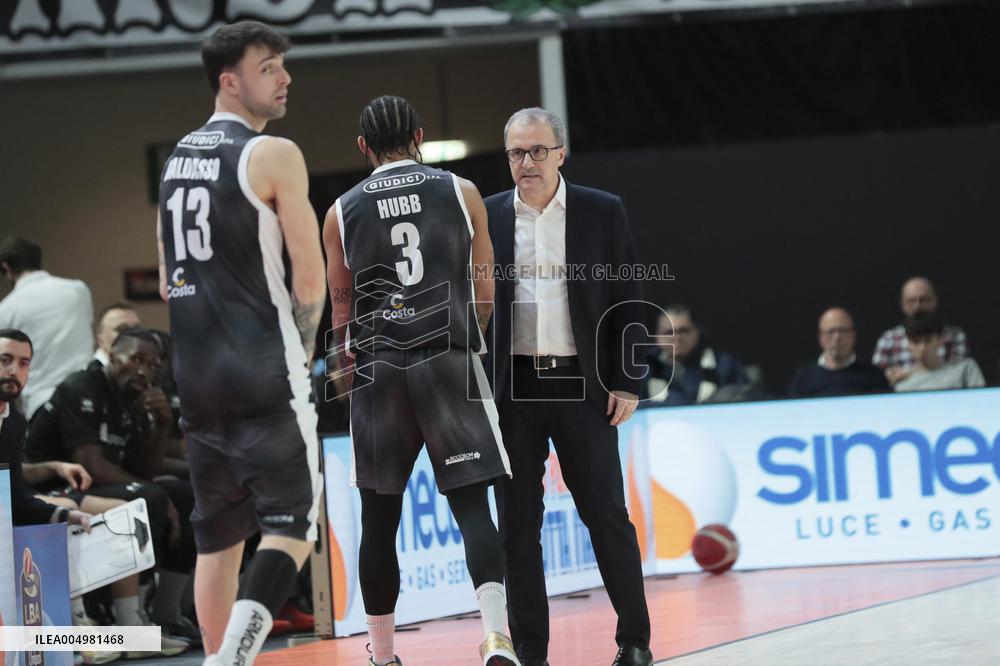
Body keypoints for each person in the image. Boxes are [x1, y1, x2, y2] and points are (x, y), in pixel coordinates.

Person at [324, 95, 517, 666]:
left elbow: (341, 308)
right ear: (420, 136)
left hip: (379, 367)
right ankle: (497, 639)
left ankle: (382, 657)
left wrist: (344, 368)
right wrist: (465, 337)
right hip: (447, 358)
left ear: (363, 148)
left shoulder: (339, 210)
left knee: (379, 520)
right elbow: (486, 288)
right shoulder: (461, 192)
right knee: (473, 509)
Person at [157, 21, 325, 666]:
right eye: (269, 67)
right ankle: (232, 658)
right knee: (294, 524)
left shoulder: (175, 159)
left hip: (196, 376)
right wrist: (299, 355)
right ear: (230, 81)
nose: (285, 78)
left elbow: (171, 285)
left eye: (283, 64)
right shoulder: (272, 153)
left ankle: (213, 658)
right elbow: (308, 280)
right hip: (261, 365)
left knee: (217, 540)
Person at [484, 108, 652, 666]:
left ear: (561, 152)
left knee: (605, 513)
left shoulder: (601, 211)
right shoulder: (485, 218)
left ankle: (634, 642)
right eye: (515, 153)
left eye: (536, 151)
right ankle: (532, 651)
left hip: (583, 382)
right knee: (518, 528)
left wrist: (628, 380)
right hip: (513, 391)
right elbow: (474, 313)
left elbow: (630, 299)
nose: (525, 163)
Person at [25, 327, 194, 656]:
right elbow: (91, 466)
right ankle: (125, 622)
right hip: (51, 484)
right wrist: (152, 492)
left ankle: (160, 614)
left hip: (87, 484)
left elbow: (143, 469)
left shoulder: (134, 396)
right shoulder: (83, 386)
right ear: (112, 355)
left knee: (181, 496)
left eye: (154, 364)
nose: (145, 370)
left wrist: (161, 424)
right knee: (146, 500)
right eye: (136, 360)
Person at [0, 237, 95, 418]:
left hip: (42, 402)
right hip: (87, 398)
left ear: (6, 268)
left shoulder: (6, 310)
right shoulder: (78, 290)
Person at [872, 276, 968, 386]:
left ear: (935, 301)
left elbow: (957, 374)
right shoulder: (888, 339)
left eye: (924, 300)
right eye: (911, 301)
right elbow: (878, 380)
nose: (918, 306)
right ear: (902, 305)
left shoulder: (955, 335)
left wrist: (909, 373)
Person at [643, 306, 748, 405]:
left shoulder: (724, 365)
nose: (677, 337)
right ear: (657, 338)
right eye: (669, 332)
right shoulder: (643, 370)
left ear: (696, 333)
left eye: (683, 331)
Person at [789, 307, 889, 398]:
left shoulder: (873, 375)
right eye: (831, 331)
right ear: (821, 337)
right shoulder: (804, 377)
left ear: (853, 335)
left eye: (843, 331)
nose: (837, 337)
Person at [895, 312, 985, 392]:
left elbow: (982, 402)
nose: (922, 347)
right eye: (916, 341)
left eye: (928, 340)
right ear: (908, 343)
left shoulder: (965, 369)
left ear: (940, 340)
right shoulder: (902, 383)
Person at [92, 302, 142, 367]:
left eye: (136, 328)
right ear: (101, 341)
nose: (132, 334)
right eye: (122, 329)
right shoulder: (87, 376)